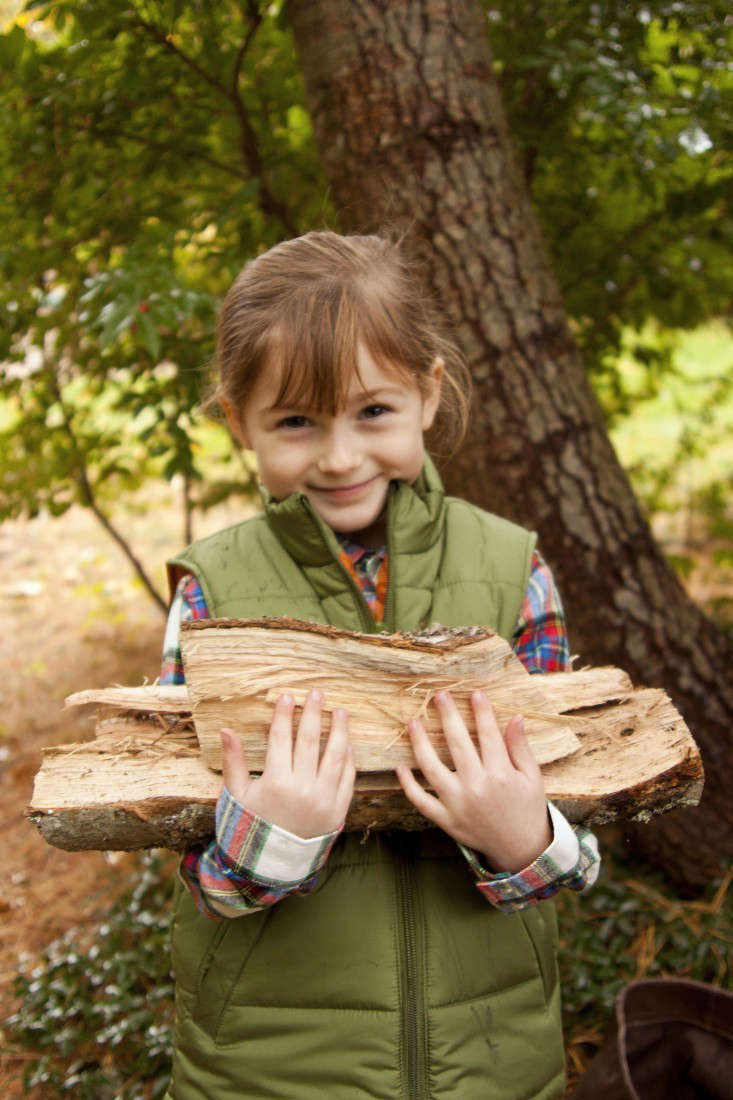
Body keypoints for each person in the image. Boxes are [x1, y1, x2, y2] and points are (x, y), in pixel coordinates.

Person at [160, 230, 600, 1100]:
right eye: (295, 421)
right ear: (235, 420)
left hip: (491, 1058)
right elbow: (197, 871)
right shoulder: (213, 594)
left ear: (427, 393)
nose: (338, 456)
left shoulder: (514, 571)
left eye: (372, 411)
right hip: (268, 1067)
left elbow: (569, 843)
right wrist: (270, 841)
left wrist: (521, 837)